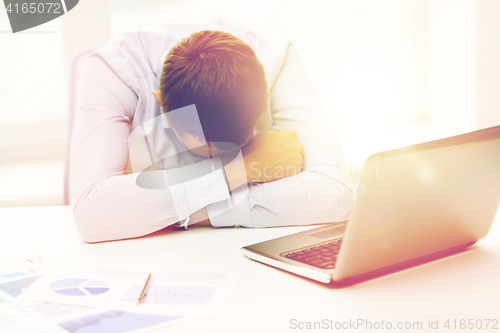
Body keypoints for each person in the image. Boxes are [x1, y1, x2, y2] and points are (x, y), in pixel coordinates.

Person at [70, 19, 353, 243]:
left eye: (237, 148)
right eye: (204, 150)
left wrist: (169, 212)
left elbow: (335, 195)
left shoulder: (277, 61)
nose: (217, 157)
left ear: (264, 98)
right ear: (162, 105)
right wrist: (244, 166)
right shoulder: (114, 70)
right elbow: (92, 214)